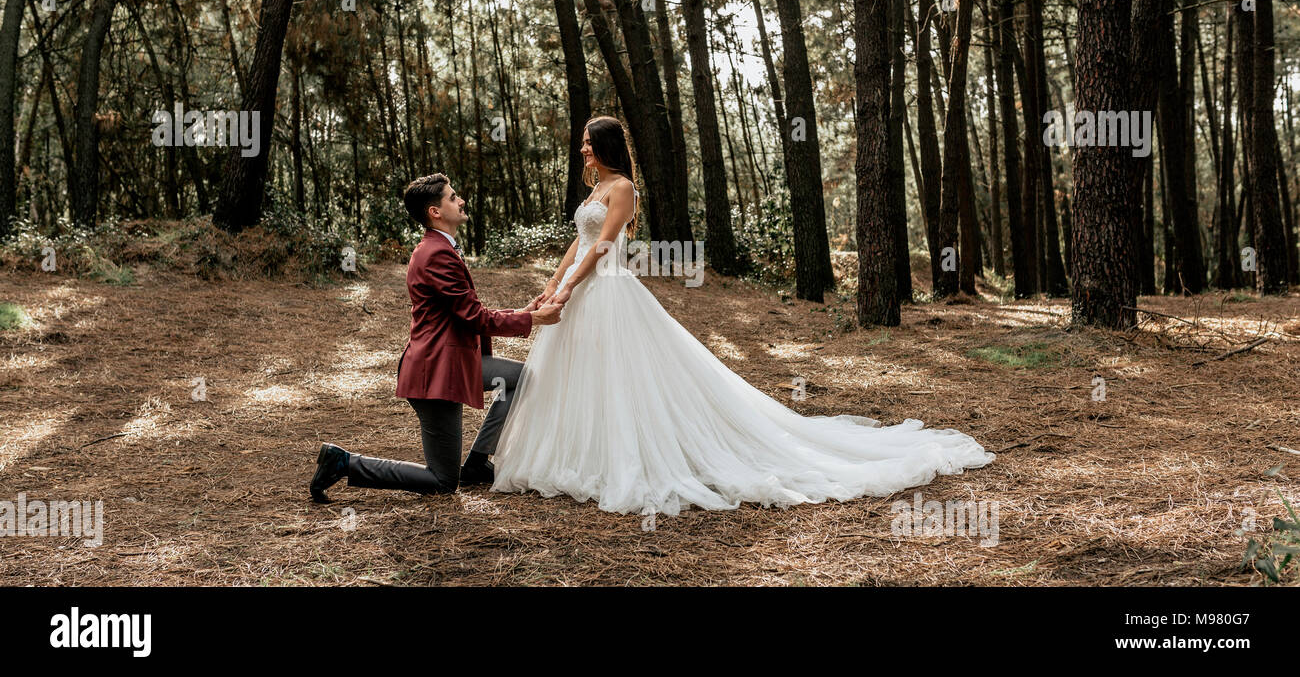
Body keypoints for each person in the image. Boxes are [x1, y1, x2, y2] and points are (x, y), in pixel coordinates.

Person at [488, 116, 995, 516]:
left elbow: (602, 247)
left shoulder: (621, 189)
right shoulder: (593, 191)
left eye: (588, 142)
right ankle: (575, 458)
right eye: (582, 143)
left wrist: (571, 286)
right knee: (579, 375)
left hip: (610, 292)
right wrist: (550, 288)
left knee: (625, 378)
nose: (582, 149)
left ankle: (623, 460)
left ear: (606, 146)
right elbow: (577, 244)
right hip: (579, 293)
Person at [309, 173, 562, 502]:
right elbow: (474, 316)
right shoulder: (437, 254)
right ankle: (344, 463)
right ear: (435, 211)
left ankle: (476, 461)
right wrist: (532, 319)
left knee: (519, 378)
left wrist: (521, 311)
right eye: (453, 197)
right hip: (436, 372)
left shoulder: (438, 248)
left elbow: (466, 310)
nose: (462, 201)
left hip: (453, 359)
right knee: (443, 480)